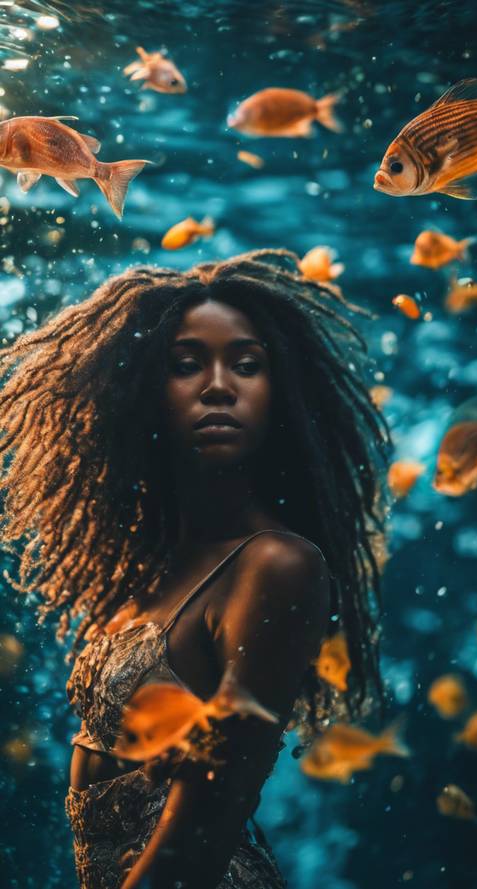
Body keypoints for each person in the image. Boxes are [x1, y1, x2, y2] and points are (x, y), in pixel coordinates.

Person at [0, 249, 388, 889]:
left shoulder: (277, 565)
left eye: (246, 365)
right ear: (141, 388)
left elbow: (203, 831)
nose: (217, 385)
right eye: (186, 365)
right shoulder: (152, 569)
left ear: (280, 391)